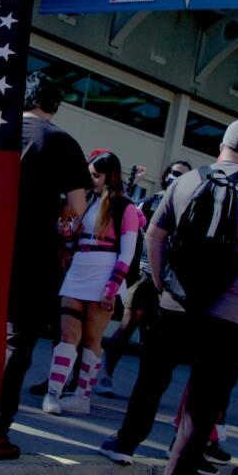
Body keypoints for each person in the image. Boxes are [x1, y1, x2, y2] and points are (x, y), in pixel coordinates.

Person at [98, 118, 238, 475]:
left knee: (151, 380)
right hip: (229, 314)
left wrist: (159, 280)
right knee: (202, 408)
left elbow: (154, 235)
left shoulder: (186, 180)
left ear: (221, 146)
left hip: (174, 304)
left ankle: (125, 444)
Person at [0, 71, 90, 460]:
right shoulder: (62, 142)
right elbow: (79, 206)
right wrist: (60, 210)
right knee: (16, 342)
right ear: (53, 105)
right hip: (32, 254)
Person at [40, 149, 144, 415]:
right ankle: (53, 393)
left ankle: (82, 397)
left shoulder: (126, 207)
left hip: (104, 274)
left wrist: (112, 286)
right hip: (79, 271)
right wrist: (65, 229)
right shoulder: (86, 200)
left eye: (96, 175)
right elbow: (71, 241)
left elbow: (128, 252)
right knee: (67, 334)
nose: (92, 180)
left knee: (91, 339)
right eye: (90, 175)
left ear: (110, 176)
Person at [96, 159, 191, 398]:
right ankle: (105, 375)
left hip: (172, 282)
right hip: (146, 274)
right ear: (166, 175)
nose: (178, 178)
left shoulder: (189, 206)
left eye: (184, 175)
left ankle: (145, 391)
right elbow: (126, 219)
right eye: (175, 173)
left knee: (157, 338)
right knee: (127, 326)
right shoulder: (150, 202)